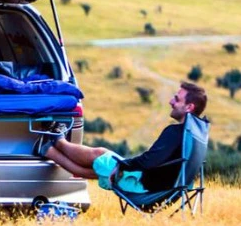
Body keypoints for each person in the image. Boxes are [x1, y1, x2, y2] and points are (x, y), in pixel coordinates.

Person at [39, 82, 208, 193]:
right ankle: (48, 150)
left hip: (143, 184)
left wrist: (123, 165)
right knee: (99, 166)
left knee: (99, 155)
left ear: (189, 107)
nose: (171, 101)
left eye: (177, 99)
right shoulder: (194, 135)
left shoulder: (175, 132)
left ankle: (57, 139)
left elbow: (149, 160)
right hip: (162, 187)